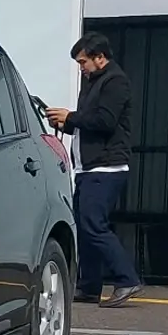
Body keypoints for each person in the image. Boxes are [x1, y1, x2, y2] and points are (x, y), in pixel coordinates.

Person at [45, 32, 142, 307]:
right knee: (85, 227)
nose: (81, 67)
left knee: (93, 225)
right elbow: (89, 121)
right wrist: (66, 123)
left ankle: (127, 279)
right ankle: (89, 286)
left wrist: (71, 117)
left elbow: (105, 120)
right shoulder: (92, 82)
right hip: (90, 168)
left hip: (107, 168)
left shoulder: (116, 82)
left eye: (83, 61)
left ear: (101, 58)